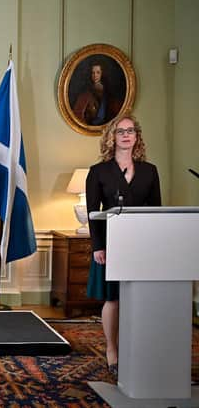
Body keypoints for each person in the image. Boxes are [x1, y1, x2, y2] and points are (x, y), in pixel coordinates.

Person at [85, 115, 161, 374]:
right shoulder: (99, 172)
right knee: (113, 297)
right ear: (111, 137)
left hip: (140, 243)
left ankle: (136, 349)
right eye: (120, 131)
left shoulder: (150, 171)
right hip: (110, 242)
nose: (126, 135)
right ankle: (112, 349)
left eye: (131, 131)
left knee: (137, 298)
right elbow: (92, 212)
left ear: (137, 136)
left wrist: (153, 247)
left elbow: (156, 211)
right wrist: (98, 247)